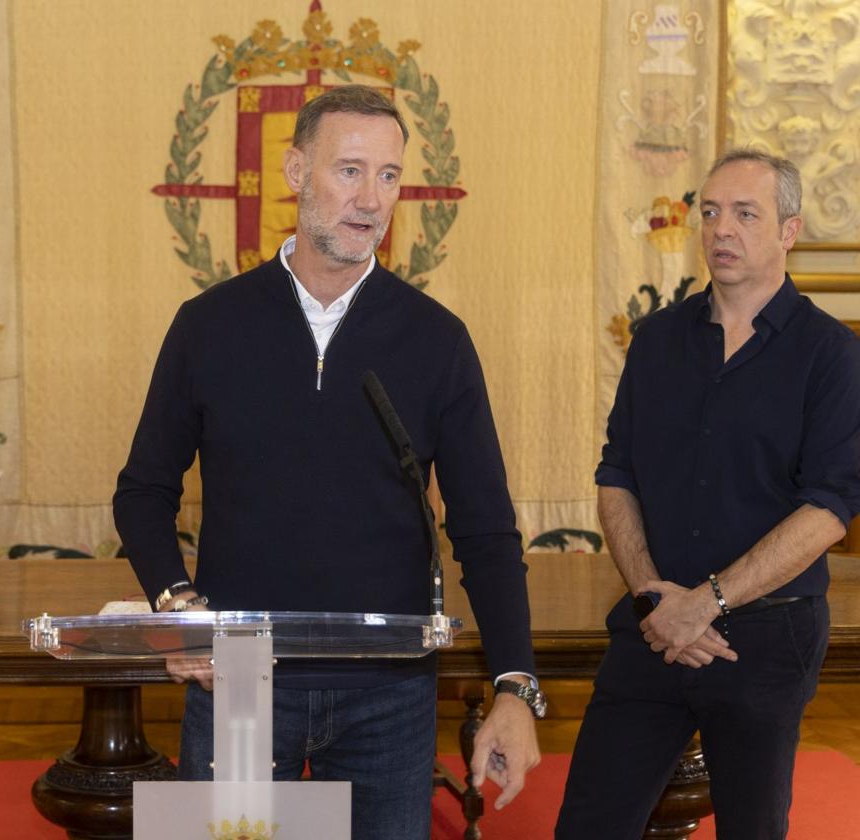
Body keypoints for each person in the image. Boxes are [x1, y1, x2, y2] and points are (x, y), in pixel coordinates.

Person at [114, 85, 542, 838]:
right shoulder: (208, 325)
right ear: (294, 170)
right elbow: (143, 492)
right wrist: (178, 608)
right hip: (239, 676)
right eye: (349, 170)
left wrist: (514, 684)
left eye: (387, 175)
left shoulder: (436, 339)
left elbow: (486, 529)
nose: (370, 198)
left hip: (391, 686)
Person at [556, 150, 860, 839]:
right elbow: (617, 476)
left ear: (789, 229)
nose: (722, 228)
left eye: (746, 214)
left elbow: (830, 508)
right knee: (586, 827)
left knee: (752, 829)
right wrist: (655, 600)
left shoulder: (829, 354)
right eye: (712, 211)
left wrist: (708, 603)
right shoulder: (658, 340)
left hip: (764, 637)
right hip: (653, 625)